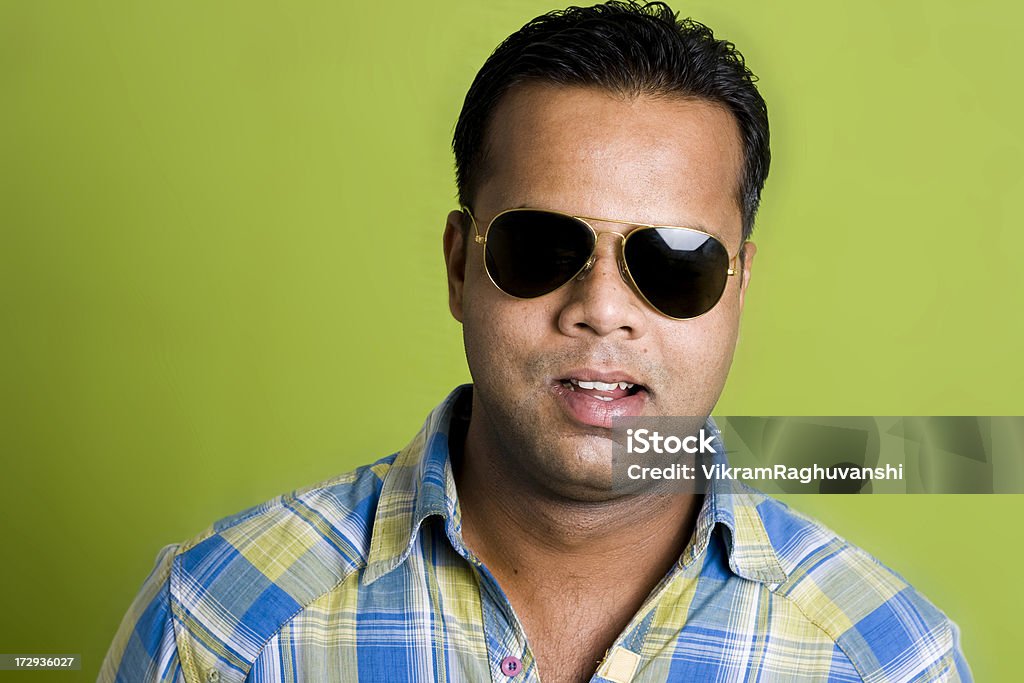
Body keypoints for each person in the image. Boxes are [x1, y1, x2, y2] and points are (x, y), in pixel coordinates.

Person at [99, 2, 971, 681]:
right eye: (543, 247)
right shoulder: (217, 624)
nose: (600, 308)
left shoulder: (887, 657)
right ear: (458, 266)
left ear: (738, 287)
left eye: (671, 265)